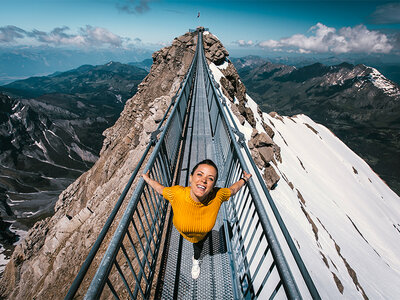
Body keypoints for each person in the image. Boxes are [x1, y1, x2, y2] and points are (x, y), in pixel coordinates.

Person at [142, 159, 252, 279]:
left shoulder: (218, 196)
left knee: (197, 248)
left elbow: (232, 190)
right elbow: (160, 189)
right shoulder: (177, 193)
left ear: (213, 185)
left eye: (210, 178)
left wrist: (245, 179)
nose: (204, 180)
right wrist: (147, 179)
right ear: (191, 178)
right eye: (199, 174)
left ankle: (196, 261)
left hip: (201, 236)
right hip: (183, 232)